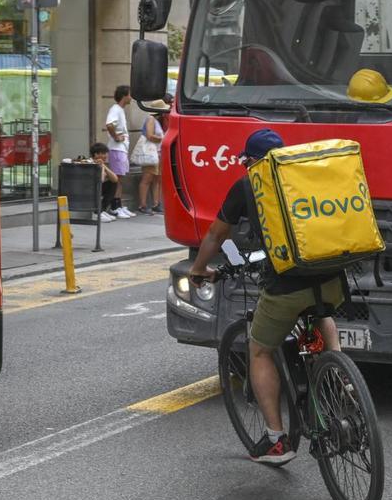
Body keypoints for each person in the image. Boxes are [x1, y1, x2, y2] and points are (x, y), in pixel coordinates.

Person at [189, 128, 345, 466]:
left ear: (250, 161)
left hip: (287, 286)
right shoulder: (305, 174)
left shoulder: (248, 184)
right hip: (332, 277)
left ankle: (277, 441)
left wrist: (199, 268)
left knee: (259, 349)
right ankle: (339, 372)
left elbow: (217, 234)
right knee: (321, 311)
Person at [104, 85, 136, 218]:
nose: (131, 97)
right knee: (117, 178)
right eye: (129, 94)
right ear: (124, 96)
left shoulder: (119, 110)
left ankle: (118, 205)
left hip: (121, 149)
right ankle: (114, 206)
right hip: (117, 149)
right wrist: (116, 137)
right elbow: (109, 124)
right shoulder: (115, 109)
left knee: (120, 178)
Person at [137, 104, 166, 215]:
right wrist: (162, 138)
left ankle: (156, 203)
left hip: (156, 153)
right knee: (147, 178)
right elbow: (149, 135)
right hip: (150, 153)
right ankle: (143, 205)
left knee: (157, 179)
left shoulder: (156, 121)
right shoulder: (150, 119)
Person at [90, 142, 122, 223]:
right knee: (103, 185)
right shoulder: (91, 164)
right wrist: (101, 166)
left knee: (112, 183)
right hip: (89, 191)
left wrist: (103, 166)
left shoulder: (101, 164)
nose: (106, 156)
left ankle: (101, 210)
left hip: (95, 188)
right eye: (103, 153)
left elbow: (115, 179)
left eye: (106, 153)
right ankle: (96, 213)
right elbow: (100, 180)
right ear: (96, 154)